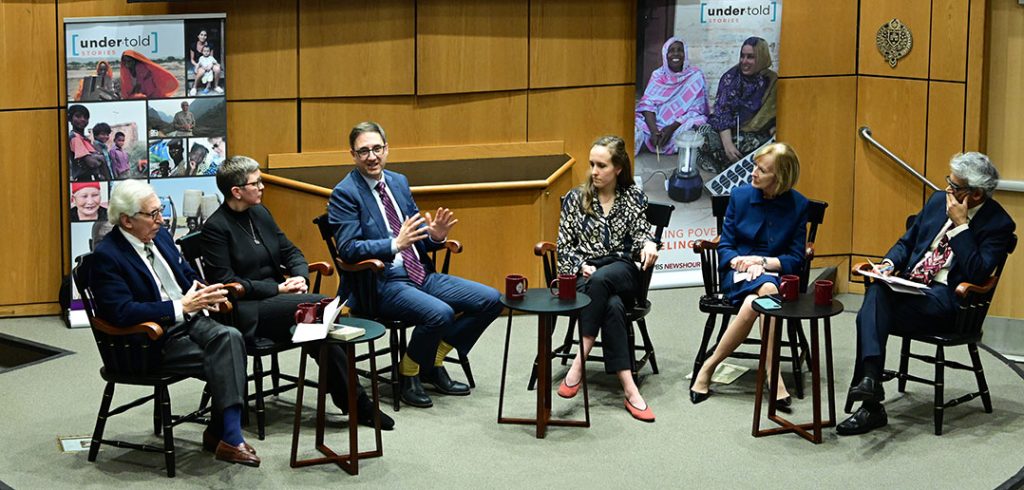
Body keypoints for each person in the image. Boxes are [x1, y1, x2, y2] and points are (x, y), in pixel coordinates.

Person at [200, 156, 394, 430]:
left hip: (283, 303)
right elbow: (226, 282)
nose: (262, 187)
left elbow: (291, 250)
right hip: (247, 310)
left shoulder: (260, 213)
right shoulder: (216, 228)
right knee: (320, 308)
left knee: (317, 328)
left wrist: (301, 277)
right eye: (256, 183)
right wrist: (278, 288)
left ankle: (354, 400)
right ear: (236, 191)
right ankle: (356, 402)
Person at [838, 152, 1016, 436]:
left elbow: (977, 274)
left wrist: (961, 227)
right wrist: (888, 264)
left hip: (948, 303)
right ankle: (871, 387)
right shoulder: (936, 202)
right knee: (878, 290)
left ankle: (870, 396)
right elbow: (906, 242)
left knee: (874, 306)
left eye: (955, 187)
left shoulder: (999, 224)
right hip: (911, 290)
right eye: (949, 182)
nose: (948, 191)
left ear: (977, 194)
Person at [328, 121, 503, 409]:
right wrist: (394, 245)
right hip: (381, 282)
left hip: (419, 272)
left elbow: (416, 235)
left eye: (377, 149)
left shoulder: (398, 181)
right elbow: (347, 248)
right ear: (352, 155)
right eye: (363, 152)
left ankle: (431, 360)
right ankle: (410, 373)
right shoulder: (345, 193)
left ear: (387, 149)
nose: (372, 157)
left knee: (491, 300)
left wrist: (434, 237)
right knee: (441, 314)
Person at [90, 179, 259, 467]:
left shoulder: (161, 238)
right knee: (229, 352)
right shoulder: (107, 257)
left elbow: (184, 274)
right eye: (153, 214)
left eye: (161, 211)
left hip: (189, 320)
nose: (162, 219)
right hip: (148, 339)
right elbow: (121, 312)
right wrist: (179, 307)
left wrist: (206, 293)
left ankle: (226, 435)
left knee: (231, 338)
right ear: (127, 221)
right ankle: (225, 434)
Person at [690, 142, 808, 410]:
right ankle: (773, 374)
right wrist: (743, 263)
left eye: (762, 170)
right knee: (766, 291)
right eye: (755, 166)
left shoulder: (798, 205)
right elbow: (726, 246)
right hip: (737, 273)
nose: (753, 172)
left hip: (775, 275)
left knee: (762, 292)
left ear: (779, 178)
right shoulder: (741, 196)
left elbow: (795, 259)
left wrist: (763, 263)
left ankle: (708, 367)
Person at [555, 135, 660, 422]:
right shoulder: (576, 199)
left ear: (618, 169)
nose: (594, 171)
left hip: (622, 268)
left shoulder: (633, 197)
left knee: (604, 281)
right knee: (611, 305)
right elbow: (563, 249)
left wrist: (650, 243)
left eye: (601, 165)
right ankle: (630, 389)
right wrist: (579, 266)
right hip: (585, 274)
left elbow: (641, 235)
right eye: (592, 164)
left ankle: (579, 362)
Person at [696, 37, 778, 174]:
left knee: (772, 145)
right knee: (702, 134)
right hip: (728, 134)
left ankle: (736, 165)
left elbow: (774, 116)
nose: (744, 62)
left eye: (750, 57)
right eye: (742, 56)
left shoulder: (771, 81)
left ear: (762, 57)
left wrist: (773, 132)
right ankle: (741, 164)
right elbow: (722, 113)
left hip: (756, 136)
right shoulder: (730, 78)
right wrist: (728, 145)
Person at [634, 37, 709, 156]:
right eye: (671, 50)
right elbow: (647, 104)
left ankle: (666, 144)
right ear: (665, 54)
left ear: (685, 54)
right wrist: (654, 131)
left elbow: (696, 110)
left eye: (680, 50)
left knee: (699, 123)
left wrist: (671, 128)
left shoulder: (695, 76)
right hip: (654, 125)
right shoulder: (658, 75)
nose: (676, 54)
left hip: (679, 125)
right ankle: (653, 140)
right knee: (635, 126)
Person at [67, 104, 110, 181]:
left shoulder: (85, 139)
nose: (82, 119)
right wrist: (100, 158)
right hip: (85, 180)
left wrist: (96, 157)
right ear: (70, 119)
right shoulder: (75, 138)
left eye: (85, 117)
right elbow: (92, 163)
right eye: (78, 116)